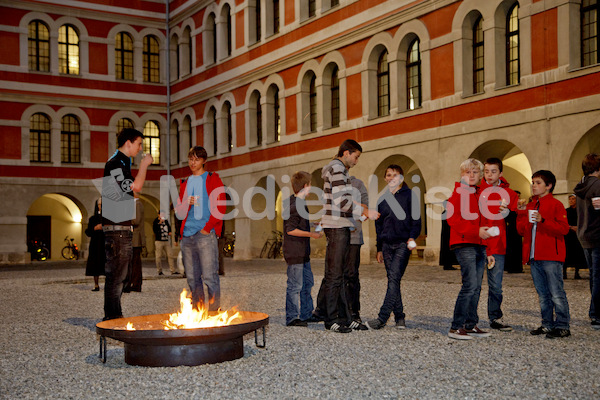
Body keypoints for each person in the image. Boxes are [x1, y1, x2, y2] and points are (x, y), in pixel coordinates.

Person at [318, 139, 379, 333]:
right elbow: (341, 201)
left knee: (341, 275)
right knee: (335, 275)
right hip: (336, 225)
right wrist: (364, 213)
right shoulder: (337, 169)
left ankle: (345, 316)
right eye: (356, 156)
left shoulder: (339, 169)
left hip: (341, 224)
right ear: (346, 153)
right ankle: (332, 319)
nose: (356, 161)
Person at [101, 128, 152, 321]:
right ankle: (113, 318)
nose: (140, 149)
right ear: (128, 142)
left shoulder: (121, 163)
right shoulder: (115, 163)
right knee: (116, 276)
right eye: (139, 144)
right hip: (116, 229)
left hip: (120, 228)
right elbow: (135, 187)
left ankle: (114, 316)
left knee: (119, 276)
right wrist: (145, 165)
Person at [517, 170, 570, 338]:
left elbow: (564, 229)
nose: (534, 186)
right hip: (534, 257)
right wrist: (520, 213)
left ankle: (563, 325)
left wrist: (544, 221)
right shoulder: (531, 205)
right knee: (542, 294)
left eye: (538, 183)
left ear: (549, 186)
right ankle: (547, 324)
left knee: (556, 293)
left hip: (551, 256)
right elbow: (520, 231)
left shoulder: (556, 205)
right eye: (533, 182)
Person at [367, 165, 421, 330]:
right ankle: (399, 318)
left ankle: (382, 318)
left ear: (401, 178)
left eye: (395, 175)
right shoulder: (382, 200)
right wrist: (379, 248)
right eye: (388, 175)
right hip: (386, 245)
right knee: (393, 280)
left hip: (402, 244)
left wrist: (412, 237)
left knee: (394, 278)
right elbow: (378, 226)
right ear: (385, 179)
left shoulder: (410, 195)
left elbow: (416, 220)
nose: (391, 178)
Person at [447, 158, 494, 340]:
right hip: (464, 243)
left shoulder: (480, 194)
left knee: (476, 287)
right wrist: (476, 231)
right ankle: (456, 327)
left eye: (475, 172)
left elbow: (486, 223)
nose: (472, 175)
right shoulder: (458, 193)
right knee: (470, 285)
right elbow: (453, 219)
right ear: (462, 175)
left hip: (480, 245)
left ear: (480, 175)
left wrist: (488, 249)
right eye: (468, 172)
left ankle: (470, 324)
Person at [177, 146, 226, 311]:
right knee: (192, 279)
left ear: (204, 161)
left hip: (205, 235)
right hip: (187, 236)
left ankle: (214, 315)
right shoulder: (185, 182)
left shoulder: (212, 178)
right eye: (191, 159)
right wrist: (185, 203)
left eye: (196, 159)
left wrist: (206, 229)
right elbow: (179, 212)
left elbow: (220, 207)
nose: (193, 162)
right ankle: (197, 315)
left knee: (210, 277)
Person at [479, 158, 519, 332]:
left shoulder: (509, 193)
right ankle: (469, 318)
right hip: (477, 242)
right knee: (472, 284)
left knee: (496, 285)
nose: (489, 175)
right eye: (486, 171)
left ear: (501, 173)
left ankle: (495, 317)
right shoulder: (476, 191)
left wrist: (509, 214)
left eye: (493, 171)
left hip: (497, 244)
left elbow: (517, 220)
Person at [283, 171, 322, 327]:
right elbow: (290, 229)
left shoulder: (299, 203)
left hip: (303, 253)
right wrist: (311, 234)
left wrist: (314, 225)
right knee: (295, 286)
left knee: (307, 283)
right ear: (305, 186)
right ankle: (292, 317)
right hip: (295, 253)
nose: (311, 187)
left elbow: (299, 224)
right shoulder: (294, 206)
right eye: (310, 184)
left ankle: (306, 314)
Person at [574, 153, 600, 330]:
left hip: (584, 234)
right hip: (598, 235)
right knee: (598, 277)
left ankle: (595, 312)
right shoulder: (598, 186)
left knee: (594, 276)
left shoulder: (580, 186)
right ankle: (596, 314)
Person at [346, 176, 368, 324]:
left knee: (352, 274)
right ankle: (339, 310)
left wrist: (350, 203)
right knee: (336, 276)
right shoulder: (332, 184)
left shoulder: (357, 184)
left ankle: (354, 311)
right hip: (336, 238)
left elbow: (366, 210)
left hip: (353, 237)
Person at [123, 193, 144, 292]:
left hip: (136, 238)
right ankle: (132, 283)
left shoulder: (137, 204)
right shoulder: (134, 204)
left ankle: (136, 284)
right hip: (133, 237)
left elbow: (136, 221)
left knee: (135, 263)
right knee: (132, 262)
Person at [85, 198, 105, 291]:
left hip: (105, 244)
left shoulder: (108, 219)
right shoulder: (93, 219)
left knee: (106, 264)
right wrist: (94, 228)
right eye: (99, 204)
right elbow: (88, 232)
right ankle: (96, 284)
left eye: (101, 204)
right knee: (95, 264)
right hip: (95, 244)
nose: (100, 206)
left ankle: (108, 284)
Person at [564, 194, 585, 279]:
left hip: (577, 235)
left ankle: (577, 272)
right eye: (570, 199)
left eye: (573, 199)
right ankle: (564, 273)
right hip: (568, 235)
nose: (571, 201)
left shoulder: (581, 211)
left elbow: (583, 221)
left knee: (577, 253)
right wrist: (570, 227)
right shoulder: (566, 211)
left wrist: (578, 228)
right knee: (567, 253)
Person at [153, 210, 177, 275]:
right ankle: (159, 270)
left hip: (166, 241)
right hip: (159, 241)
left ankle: (173, 270)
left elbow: (169, 229)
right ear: (158, 215)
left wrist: (170, 233)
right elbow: (155, 230)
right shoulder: (156, 221)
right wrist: (159, 223)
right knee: (158, 256)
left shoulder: (166, 221)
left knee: (170, 255)